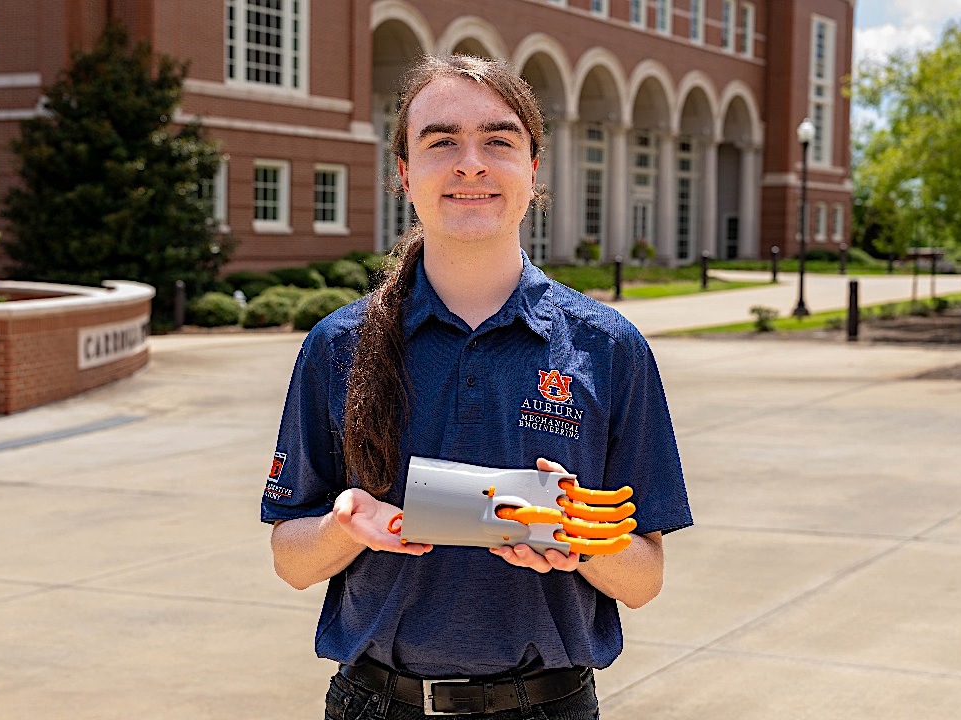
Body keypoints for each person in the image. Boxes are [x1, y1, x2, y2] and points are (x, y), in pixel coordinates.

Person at [262, 54, 692, 719]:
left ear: (532, 171)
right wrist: (347, 523)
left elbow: (645, 578)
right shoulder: (338, 346)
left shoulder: (608, 348)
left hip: (549, 705)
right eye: (441, 143)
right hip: (375, 704)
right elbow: (291, 561)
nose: (471, 163)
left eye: (498, 140)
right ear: (405, 175)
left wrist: (580, 538)